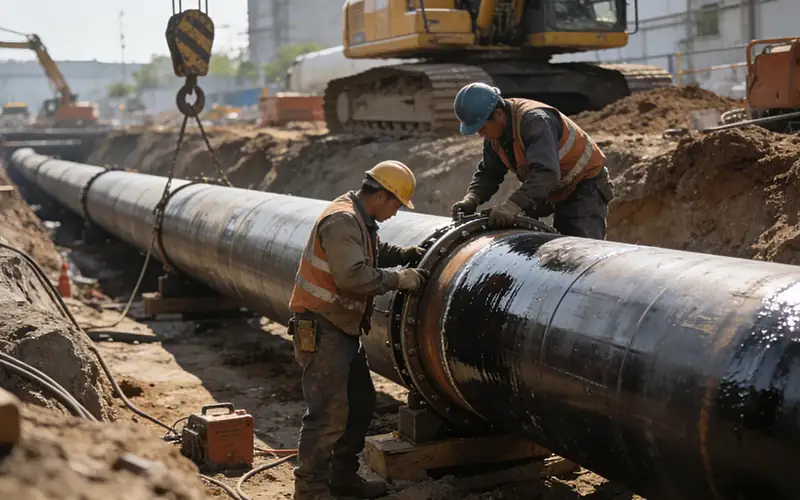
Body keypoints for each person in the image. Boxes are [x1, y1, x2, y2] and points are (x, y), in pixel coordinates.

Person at [287, 160, 429, 500]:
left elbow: (368, 253)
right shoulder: (342, 220)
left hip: (341, 328)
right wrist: (399, 279)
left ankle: (343, 480)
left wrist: (403, 254)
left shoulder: (359, 218)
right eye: (396, 204)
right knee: (328, 415)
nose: (396, 213)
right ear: (380, 195)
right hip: (323, 329)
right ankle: (310, 491)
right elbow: (351, 276)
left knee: (361, 403)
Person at [450, 82, 615, 239]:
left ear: (498, 114)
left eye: (482, 128)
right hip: (554, 186)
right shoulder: (495, 133)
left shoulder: (535, 121)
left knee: (577, 253)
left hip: (584, 184)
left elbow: (546, 173)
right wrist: (472, 198)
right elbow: (489, 172)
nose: (481, 135)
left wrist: (512, 205)